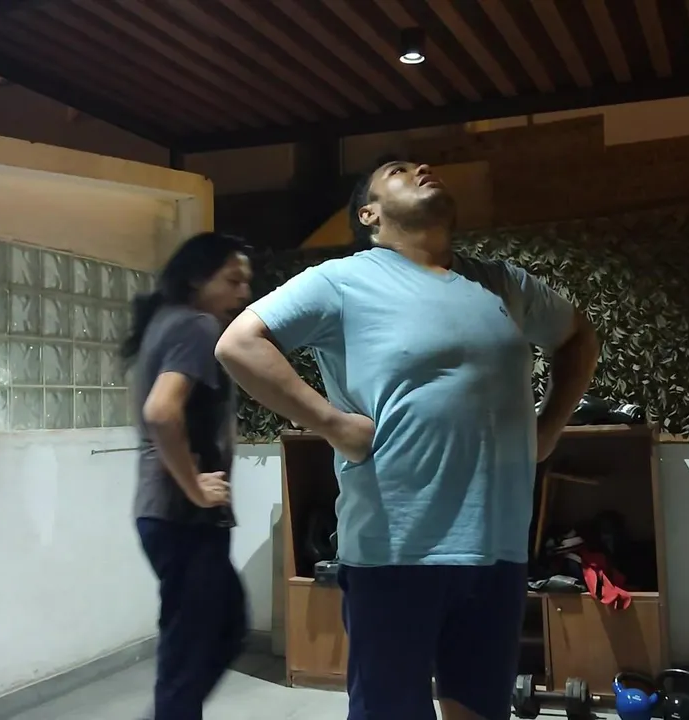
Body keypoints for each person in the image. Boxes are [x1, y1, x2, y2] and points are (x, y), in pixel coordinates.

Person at [215, 161, 600, 720]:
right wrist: (332, 424)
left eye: (423, 166)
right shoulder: (341, 280)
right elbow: (239, 344)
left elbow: (578, 337)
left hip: (498, 549)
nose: (422, 168)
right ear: (368, 214)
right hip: (394, 552)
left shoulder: (503, 283)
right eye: (397, 170)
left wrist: (550, 426)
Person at [122, 231, 253, 720]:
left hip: (168, 516)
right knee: (197, 646)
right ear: (198, 278)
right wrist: (196, 486)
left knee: (211, 634)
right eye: (233, 281)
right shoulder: (196, 326)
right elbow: (161, 412)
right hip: (182, 517)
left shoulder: (167, 321)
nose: (244, 293)